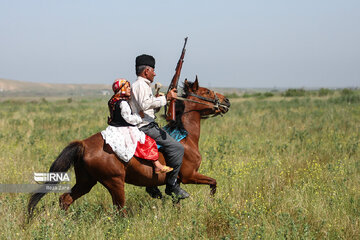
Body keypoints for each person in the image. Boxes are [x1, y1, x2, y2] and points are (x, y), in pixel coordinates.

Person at [130, 54, 190, 199]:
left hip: (148, 124)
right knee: (177, 148)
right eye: (153, 70)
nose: (155, 73)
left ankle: (152, 184)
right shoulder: (140, 85)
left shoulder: (143, 85)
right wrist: (165, 98)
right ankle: (172, 185)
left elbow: (147, 107)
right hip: (145, 127)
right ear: (146, 71)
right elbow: (144, 104)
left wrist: (158, 101)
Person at [101, 78, 173, 173]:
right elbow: (128, 118)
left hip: (114, 128)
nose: (129, 89)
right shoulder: (123, 103)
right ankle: (157, 165)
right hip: (125, 129)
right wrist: (139, 116)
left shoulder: (112, 101)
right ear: (121, 89)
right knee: (148, 142)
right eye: (126, 87)